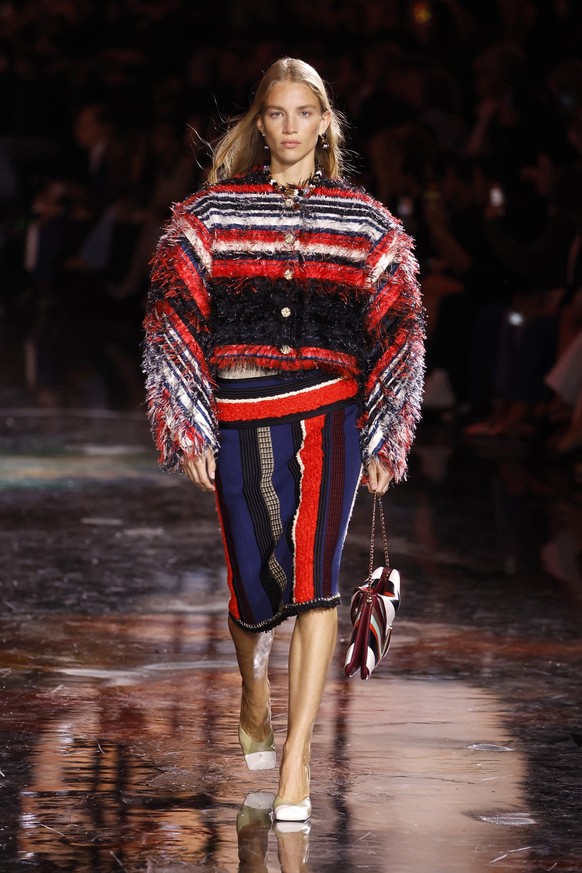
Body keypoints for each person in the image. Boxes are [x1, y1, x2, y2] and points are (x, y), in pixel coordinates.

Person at [143, 57, 425, 823]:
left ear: (326, 122)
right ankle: (251, 682)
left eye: (307, 112)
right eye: (278, 112)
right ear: (260, 122)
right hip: (236, 413)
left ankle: (297, 757)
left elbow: (400, 325)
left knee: (314, 582)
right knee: (251, 588)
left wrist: (387, 433)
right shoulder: (212, 216)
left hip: (330, 414)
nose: (293, 125)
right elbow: (172, 314)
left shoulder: (366, 224)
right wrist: (189, 419)